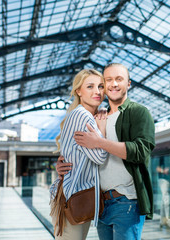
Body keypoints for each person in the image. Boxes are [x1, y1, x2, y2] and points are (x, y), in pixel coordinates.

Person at [56, 63, 155, 240]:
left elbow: (141, 151)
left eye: (119, 79)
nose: (113, 84)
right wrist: (63, 164)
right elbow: (79, 151)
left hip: (127, 201)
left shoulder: (138, 112)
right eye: (108, 80)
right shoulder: (97, 116)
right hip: (100, 203)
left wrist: (100, 142)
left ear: (129, 83)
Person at [49, 69, 108, 239]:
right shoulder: (83, 116)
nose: (97, 91)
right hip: (73, 197)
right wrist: (102, 130)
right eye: (90, 86)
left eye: (100, 86)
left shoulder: (85, 115)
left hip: (76, 195)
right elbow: (100, 157)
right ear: (78, 91)